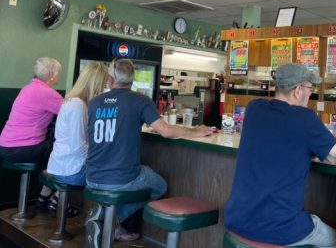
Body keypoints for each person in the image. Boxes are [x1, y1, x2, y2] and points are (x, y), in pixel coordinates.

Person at [84, 58, 211, 245]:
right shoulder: (140, 101)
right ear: (132, 80)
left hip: (91, 177)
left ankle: (109, 220)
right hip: (122, 179)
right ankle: (113, 219)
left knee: (140, 175)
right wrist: (197, 131)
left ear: (110, 79)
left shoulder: (94, 103)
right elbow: (166, 131)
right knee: (159, 186)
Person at [224, 63, 336, 247]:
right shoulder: (305, 118)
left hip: (237, 218)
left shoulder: (254, 109)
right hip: (280, 227)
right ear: (297, 90)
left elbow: (277, 140)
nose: (310, 94)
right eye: (310, 88)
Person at [46, 62, 109, 217]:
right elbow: (77, 147)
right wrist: (100, 153)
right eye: (103, 83)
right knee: (111, 175)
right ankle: (102, 219)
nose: (103, 88)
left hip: (61, 164)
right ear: (95, 83)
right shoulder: (78, 106)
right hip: (69, 169)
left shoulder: (73, 101)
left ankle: (57, 198)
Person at [0, 57, 64, 210]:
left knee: (52, 147)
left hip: (5, 146)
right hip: (23, 148)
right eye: (58, 73)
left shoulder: (27, 88)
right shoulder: (47, 92)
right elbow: (72, 113)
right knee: (62, 149)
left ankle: (44, 194)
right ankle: (55, 196)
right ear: (52, 74)